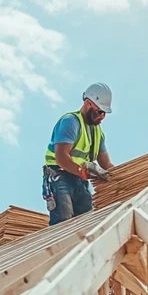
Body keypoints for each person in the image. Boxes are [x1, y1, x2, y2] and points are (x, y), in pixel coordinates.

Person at [42, 82, 115, 226]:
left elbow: (106, 164)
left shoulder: (97, 133)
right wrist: (82, 171)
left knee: (86, 225)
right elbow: (61, 157)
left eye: (105, 113)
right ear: (88, 103)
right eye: (99, 111)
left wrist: (124, 177)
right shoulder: (70, 122)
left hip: (80, 180)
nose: (102, 116)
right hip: (60, 176)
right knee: (64, 222)